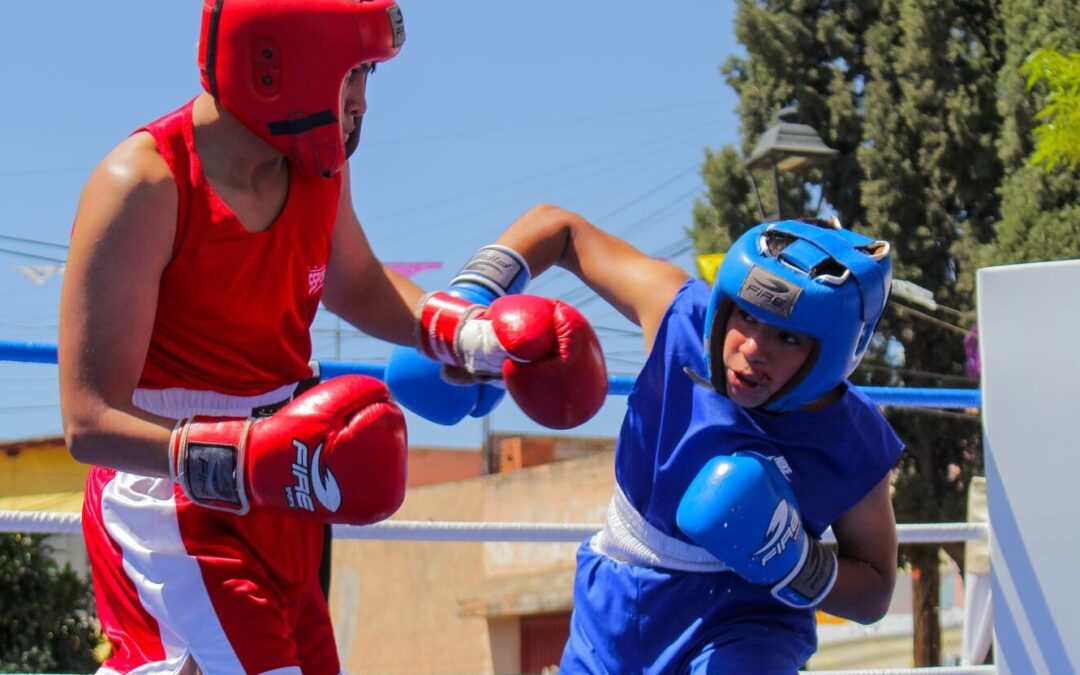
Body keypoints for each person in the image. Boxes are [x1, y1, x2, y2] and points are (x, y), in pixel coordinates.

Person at [57, 2, 606, 673]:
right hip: (170, 494)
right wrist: (240, 456)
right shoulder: (143, 184)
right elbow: (88, 421)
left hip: (288, 480)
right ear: (280, 66)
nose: (362, 104)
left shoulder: (316, 168)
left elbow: (357, 283)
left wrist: (468, 335)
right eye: (354, 76)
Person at [397, 204, 904, 674]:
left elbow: (875, 591)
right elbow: (561, 228)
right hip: (619, 596)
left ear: (835, 354)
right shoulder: (681, 318)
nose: (752, 349)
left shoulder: (852, 440)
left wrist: (796, 562)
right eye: (747, 316)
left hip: (748, 621)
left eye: (787, 338)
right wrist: (475, 297)